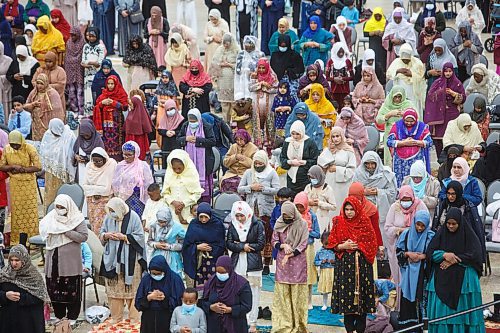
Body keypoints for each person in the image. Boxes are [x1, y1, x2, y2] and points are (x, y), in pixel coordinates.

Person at [425, 207, 485, 333]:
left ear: (460, 223)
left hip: (463, 279)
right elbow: (430, 253)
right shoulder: (441, 235)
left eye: (454, 224)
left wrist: (455, 259)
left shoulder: (469, 236)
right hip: (442, 280)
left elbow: (475, 255)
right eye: (448, 223)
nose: (451, 226)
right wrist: (444, 255)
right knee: (443, 317)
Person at [328, 196, 377, 333]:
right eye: (346, 209)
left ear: (357, 209)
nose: (349, 212)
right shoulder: (339, 222)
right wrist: (343, 245)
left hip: (362, 268)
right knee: (347, 301)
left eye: (352, 209)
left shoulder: (365, 223)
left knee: (362, 301)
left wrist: (359, 247)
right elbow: (331, 244)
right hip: (344, 268)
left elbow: (372, 244)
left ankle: (361, 330)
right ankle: (349, 330)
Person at [39, 194, 88, 322]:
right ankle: (59, 316)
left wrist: (66, 231)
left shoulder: (77, 218)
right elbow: (44, 230)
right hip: (53, 260)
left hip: (70, 264)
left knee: (71, 291)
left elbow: (83, 236)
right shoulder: (51, 217)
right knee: (54, 290)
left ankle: (72, 317)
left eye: (62, 207)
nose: (59, 209)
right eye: (57, 207)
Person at [100, 197, 146, 323]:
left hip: (131, 259)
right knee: (114, 291)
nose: (112, 213)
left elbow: (140, 238)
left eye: (114, 210)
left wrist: (125, 237)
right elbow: (102, 233)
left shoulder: (134, 217)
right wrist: (106, 235)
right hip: (113, 258)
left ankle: (134, 320)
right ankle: (116, 318)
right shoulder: (109, 216)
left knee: (133, 290)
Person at [237, 150, 280, 272]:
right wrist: (251, 187)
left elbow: (277, 190)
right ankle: (253, 261)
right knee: (252, 235)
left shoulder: (271, 173)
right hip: (251, 208)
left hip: (266, 210)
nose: (258, 166)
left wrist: (263, 189)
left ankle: (266, 263)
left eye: (261, 164)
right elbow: (240, 189)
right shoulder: (249, 173)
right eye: (256, 163)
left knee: (266, 236)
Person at [226, 201, 265, 333]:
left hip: (253, 264)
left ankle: (252, 322)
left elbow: (261, 244)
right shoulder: (233, 226)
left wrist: (247, 246)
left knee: (254, 292)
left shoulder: (257, 224)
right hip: (237, 263)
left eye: (242, 216)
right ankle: (241, 320)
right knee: (238, 291)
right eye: (237, 216)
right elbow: (229, 243)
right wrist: (242, 247)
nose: (240, 219)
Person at [271, 201, 309, 333]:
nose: (286, 219)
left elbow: (304, 244)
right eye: (284, 216)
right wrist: (283, 246)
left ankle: (298, 325)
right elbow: (274, 241)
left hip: (298, 262)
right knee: (283, 295)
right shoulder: (279, 223)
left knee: (297, 295)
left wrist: (291, 254)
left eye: (289, 216)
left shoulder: (302, 224)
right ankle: (284, 325)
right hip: (283, 264)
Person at [396, 210, 435, 330]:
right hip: (408, 276)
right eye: (418, 224)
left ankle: (423, 328)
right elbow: (398, 252)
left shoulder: (431, 236)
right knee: (407, 301)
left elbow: (434, 255)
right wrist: (408, 254)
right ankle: (409, 328)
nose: (419, 228)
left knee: (422, 301)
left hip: (423, 276)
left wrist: (423, 256)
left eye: (423, 225)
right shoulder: (406, 234)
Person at [0, 131, 41, 244]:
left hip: (28, 184)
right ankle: (17, 240)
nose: (15, 147)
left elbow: (38, 166)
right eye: (13, 145)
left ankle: (32, 239)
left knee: (30, 211)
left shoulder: (29, 148)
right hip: (15, 184)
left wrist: (23, 169)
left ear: (21, 142)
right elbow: (1, 166)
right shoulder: (7, 149)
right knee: (17, 212)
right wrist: (12, 166)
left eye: (17, 145)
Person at [385, 185, 428, 289]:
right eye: (403, 199)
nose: (405, 202)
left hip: (416, 246)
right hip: (399, 247)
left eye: (408, 199)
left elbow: (427, 224)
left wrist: (414, 231)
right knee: (400, 277)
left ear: (412, 198)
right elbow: (387, 228)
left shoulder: (420, 205)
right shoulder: (394, 207)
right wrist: (400, 231)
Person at [433, 180, 485, 263]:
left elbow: (473, 230)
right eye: (448, 194)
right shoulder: (442, 205)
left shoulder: (468, 207)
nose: (450, 197)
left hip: (462, 244)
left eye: (453, 194)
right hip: (443, 241)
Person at [0, 245, 49, 333]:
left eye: (17, 260)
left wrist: (21, 297)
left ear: (24, 260)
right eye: (11, 260)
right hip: (8, 322)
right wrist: (5, 295)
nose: (13, 263)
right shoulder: (4, 274)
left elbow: (40, 297)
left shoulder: (34, 276)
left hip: (28, 323)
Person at [353, 151, 398, 246]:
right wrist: (363, 191)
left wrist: (379, 192)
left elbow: (392, 193)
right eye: (367, 164)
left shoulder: (386, 174)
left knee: (380, 231)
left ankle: (382, 254)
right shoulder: (358, 174)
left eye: (373, 163)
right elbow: (353, 192)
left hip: (381, 209)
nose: (370, 166)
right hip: (364, 209)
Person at [199, 255, 252, 333]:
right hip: (214, 326)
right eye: (218, 272)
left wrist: (230, 310)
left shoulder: (241, 284)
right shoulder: (210, 283)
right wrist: (211, 307)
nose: (220, 274)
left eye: (223, 272)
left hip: (235, 325)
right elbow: (202, 302)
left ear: (230, 270)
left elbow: (247, 306)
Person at [135, 255, 184, 333]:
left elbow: (180, 302)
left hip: (167, 319)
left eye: (158, 273)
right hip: (148, 320)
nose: (155, 276)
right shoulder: (146, 279)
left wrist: (165, 299)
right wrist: (149, 298)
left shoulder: (175, 279)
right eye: (153, 273)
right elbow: (138, 303)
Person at [425, 62, 465, 156]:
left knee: (452, 138)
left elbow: (463, 98)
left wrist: (454, 94)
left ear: (453, 71)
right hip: (438, 115)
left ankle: (452, 159)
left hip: (452, 114)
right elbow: (430, 96)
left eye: (450, 71)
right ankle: (440, 161)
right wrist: (441, 92)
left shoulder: (457, 83)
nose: (448, 73)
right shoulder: (437, 82)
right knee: (438, 139)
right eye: (446, 71)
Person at [182, 203, 226, 289]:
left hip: (213, 261)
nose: (203, 220)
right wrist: (197, 247)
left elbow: (221, 244)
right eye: (201, 217)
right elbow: (186, 245)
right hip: (197, 263)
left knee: (213, 287)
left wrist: (210, 249)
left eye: (206, 217)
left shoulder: (217, 225)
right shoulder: (193, 225)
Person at [177, 108, 216, 203]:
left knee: (204, 193)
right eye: (190, 121)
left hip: (204, 163)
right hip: (189, 162)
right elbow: (178, 139)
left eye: (194, 121)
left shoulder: (206, 126)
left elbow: (212, 141)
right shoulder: (186, 126)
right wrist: (186, 138)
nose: (192, 123)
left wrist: (198, 140)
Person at [387, 108, 433, 186]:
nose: (409, 123)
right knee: (400, 182)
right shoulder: (397, 126)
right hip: (400, 162)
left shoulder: (422, 127)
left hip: (416, 159)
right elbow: (389, 142)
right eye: (406, 121)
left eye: (411, 121)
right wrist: (403, 143)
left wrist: (417, 142)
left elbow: (429, 142)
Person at [317, 127, 356, 217]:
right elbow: (320, 163)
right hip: (329, 181)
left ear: (342, 136)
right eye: (333, 137)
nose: (335, 139)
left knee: (341, 205)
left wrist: (337, 169)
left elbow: (352, 170)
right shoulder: (327, 150)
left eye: (337, 136)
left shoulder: (348, 150)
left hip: (343, 185)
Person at [376, 85, 415, 167]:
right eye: (395, 97)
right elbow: (378, 120)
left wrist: (406, 114)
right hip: (390, 134)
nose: (397, 99)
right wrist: (389, 114)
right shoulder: (387, 104)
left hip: (405, 134)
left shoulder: (408, 104)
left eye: (399, 97)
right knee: (390, 158)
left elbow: (417, 117)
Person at [40, 119, 76, 207]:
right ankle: (50, 213)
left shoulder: (69, 135)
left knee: (64, 194)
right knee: (51, 194)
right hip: (51, 172)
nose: (57, 135)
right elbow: (43, 152)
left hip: (65, 171)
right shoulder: (48, 135)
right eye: (55, 133)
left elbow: (73, 151)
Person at [161, 150, 203, 226]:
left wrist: (183, 204)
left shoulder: (192, 174)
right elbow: (165, 193)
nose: (177, 171)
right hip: (172, 210)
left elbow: (197, 194)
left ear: (185, 165)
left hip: (187, 211)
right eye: (174, 168)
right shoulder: (169, 175)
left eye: (179, 168)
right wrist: (173, 202)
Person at [112, 141, 154, 217]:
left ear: (136, 154)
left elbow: (149, 183)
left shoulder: (142, 166)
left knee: (137, 218)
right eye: (124, 154)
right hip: (124, 199)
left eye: (129, 155)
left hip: (138, 199)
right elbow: (115, 182)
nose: (126, 157)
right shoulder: (120, 166)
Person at [294, 191, 320, 309]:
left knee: (308, 274)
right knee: (297, 274)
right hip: (296, 248)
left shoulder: (312, 216)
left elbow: (318, 233)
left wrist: (307, 230)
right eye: (297, 206)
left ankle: (309, 300)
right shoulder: (292, 215)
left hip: (308, 248)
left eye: (301, 206)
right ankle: (298, 299)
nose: (299, 209)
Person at [82, 147, 117, 234]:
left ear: (104, 159)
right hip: (92, 201)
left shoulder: (111, 164)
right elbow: (85, 186)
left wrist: (94, 189)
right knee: (94, 223)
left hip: (106, 201)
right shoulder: (89, 166)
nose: (97, 163)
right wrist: (97, 191)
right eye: (94, 161)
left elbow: (107, 188)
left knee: (104, 224)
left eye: (99, 161)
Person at [93, 75, 128, 161]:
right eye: (108, 84)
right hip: (105, 124)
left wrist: (114, 103)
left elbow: (125, 107)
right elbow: (97, 107)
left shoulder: (121, 93)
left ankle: (118, 158)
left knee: (117, 141)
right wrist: (102, 103)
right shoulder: (103, 95)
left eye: (112, 84)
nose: (110, 86)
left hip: (117, 123)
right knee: (106, 140)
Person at [386, 43, 426, 117]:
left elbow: (422, 77)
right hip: (401, 91)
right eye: (403, 60)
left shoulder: (417, 63)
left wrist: (411, 74)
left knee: (414, 110)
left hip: (413, 93)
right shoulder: (396, 62)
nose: (405, 62)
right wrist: (398, 71)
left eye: (407, 60)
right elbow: (389, 74)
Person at [280, 120, 320, 194]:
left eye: (297, 134)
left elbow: (315, 160)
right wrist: (290, 162)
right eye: (293, 134)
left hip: (305, 177)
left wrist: (305, 162)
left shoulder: (309, 142)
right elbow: (282, 159)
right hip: (291, 177)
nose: (295, 136)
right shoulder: (287, 142)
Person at [249, 57, 278, 149]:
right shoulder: (254, 75)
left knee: (269, 121)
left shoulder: (273, 77)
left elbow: (276, 89)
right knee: (256, 121)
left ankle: (269, 142)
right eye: (260, 68)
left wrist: (266, 87)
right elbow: (250, 88)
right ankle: (258, 142)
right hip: (257, 104)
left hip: (268, 103)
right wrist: (260, 84)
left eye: (263, 68)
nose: (261, 70)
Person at [147, 207, 186, 276]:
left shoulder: (177, 228)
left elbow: (183, 245)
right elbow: (149, 241)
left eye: (164, 222)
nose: (161, 224)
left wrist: (169, 246)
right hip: (157, 256)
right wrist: (156, 245)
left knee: (172, 277)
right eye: (159, 221)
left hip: (173, 258)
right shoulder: (154, 226)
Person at [210, 33, 239, 118]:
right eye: (224, 44)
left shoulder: (236, 50)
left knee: (233, 102)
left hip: (232, 80)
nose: (225, 46)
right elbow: (214, 62)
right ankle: (225, 120)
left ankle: (234, 120)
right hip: (222, 80)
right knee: (224, 102)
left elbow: (240, 65)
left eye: (227, 44)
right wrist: (221, 64)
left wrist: (230, 65)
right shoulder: (220, 50)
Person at [304, 165, 336, 234]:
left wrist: (320, 203)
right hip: (309, 218)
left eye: (314, 177)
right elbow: (303, 200)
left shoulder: (327, 189)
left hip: (322, 219)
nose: (312, 179)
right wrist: (309, 202)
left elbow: (333, 206)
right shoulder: (308, 187)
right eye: (310, 177)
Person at [73, 119, 105, 187]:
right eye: (83, 135)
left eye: (87, 135)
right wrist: (76, 157)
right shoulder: (80, 139)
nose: (85, 137)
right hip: (81, 168)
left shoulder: (97, 141)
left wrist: (88, 159)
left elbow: (102, 156)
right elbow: (75, 152)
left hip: (94, 169)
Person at [82, 27, 106, 115]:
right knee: (88, 94)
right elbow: (83, 61)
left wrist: (89, 63)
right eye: (90, 36)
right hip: (87, 75)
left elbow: (99, 63)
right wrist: (89, 64)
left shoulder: (100, 47)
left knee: (96, 95)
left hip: (96, 76)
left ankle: (97, 114)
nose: (91, 38)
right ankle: (88, 115)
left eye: (93, 36)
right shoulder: (86, 46)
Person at [234, 36, 264, 100]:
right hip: (243, 80)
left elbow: (264, 68)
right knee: (243, 97)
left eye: (250, 44)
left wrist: (254, 73)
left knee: (253, 97)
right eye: (246, 44)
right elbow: (237, 70)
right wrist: (244, 71)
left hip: (255, 79)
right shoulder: (241, 54)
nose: (248, 46)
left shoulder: (259, 54)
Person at [64, 26, 85, 116]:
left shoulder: (83, 43)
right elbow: (67, 56)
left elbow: (82, 56)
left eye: (74, 35)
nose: (72, 37)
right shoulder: (68, 43)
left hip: (79, 70)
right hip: (70, 69)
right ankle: (74, 109)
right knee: (71, 91)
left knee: (80, 91)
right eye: (71, 35)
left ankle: (81, 110)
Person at [125, 96, 152, 161]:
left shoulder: (141, 113)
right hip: (130, 138)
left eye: (131, 104)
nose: (130, 106)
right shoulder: (131, 112)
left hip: (140, 139)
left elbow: (146, 127)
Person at [325, 43, 353, 108]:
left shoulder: (347, 62)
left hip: (345, 90)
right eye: (339, 52)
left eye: (342, 52)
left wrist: (343, 79)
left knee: (345, 106)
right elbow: (327, 77)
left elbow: (352, 76)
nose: (341, 54)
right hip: (334, 90)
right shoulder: (331, 62)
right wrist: (334, 79)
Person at [314, 231, 335, 311]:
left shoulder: (334, 251)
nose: (327, 246)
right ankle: (325, 304)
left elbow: (339, 261)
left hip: (333, 271)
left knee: (334, 288)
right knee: (325, 290)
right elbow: (315, 262)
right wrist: (321, 262)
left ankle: (333, 304)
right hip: (324, 272)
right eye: (325, 244)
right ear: (322, 242)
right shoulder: (319, 252)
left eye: (329, 244)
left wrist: (334, 261)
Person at [363, 8, 387, 72]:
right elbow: (365, 33)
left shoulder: (385, 22)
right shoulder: (369, 23)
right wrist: (373, 32)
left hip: (382, 44)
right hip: (374, 42)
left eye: (380, 16)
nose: (378, 17)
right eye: (376, 16)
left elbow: (389, 32)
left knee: (382, 59)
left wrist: (383, 33)